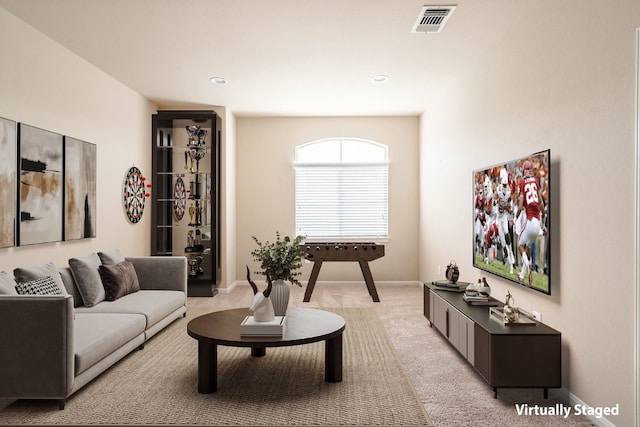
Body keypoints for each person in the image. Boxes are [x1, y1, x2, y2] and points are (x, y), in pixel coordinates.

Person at [515, 160, 545, 285]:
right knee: (527, 247)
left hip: (530, 221)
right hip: (537, 224)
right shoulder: (536, 181)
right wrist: (544, 214)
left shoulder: (522, 183)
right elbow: (541, 203)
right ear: (531, 170)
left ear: (523, 171)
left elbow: (521, 205)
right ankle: (522, 275)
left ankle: (528, 265)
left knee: (519, 245)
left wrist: (515, 218)